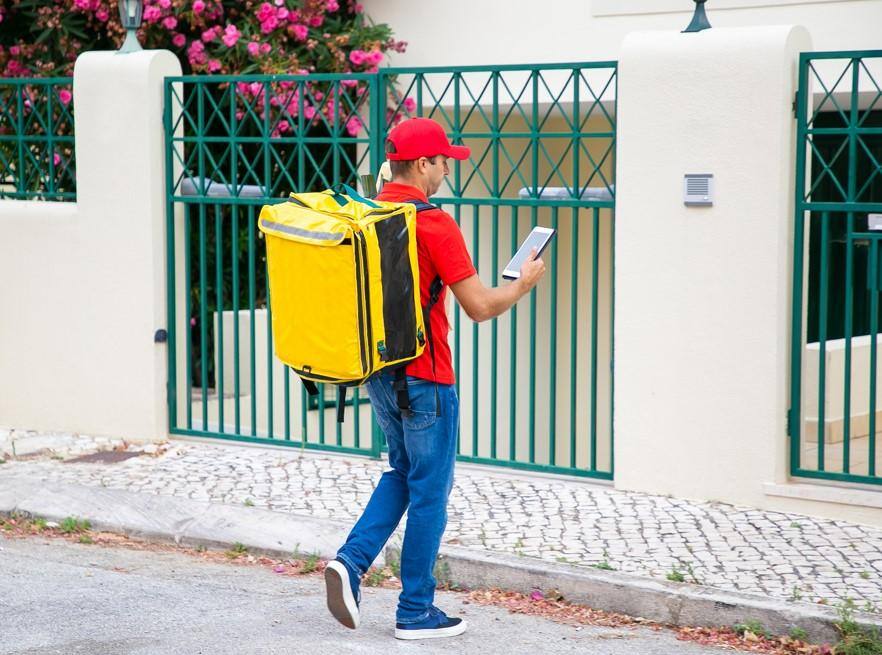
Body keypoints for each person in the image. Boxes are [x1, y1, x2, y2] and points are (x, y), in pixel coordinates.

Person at [324, 117, 546, 640]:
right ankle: (415, 610)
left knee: (402, 472)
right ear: (422, 163)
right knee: (429, 492)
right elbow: (480, 305)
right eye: (444, 160)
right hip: (427, 379)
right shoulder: (434, 223)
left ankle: (351, 563)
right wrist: (525, 282)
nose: (447, 168)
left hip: (380, 373)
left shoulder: (370, 213)